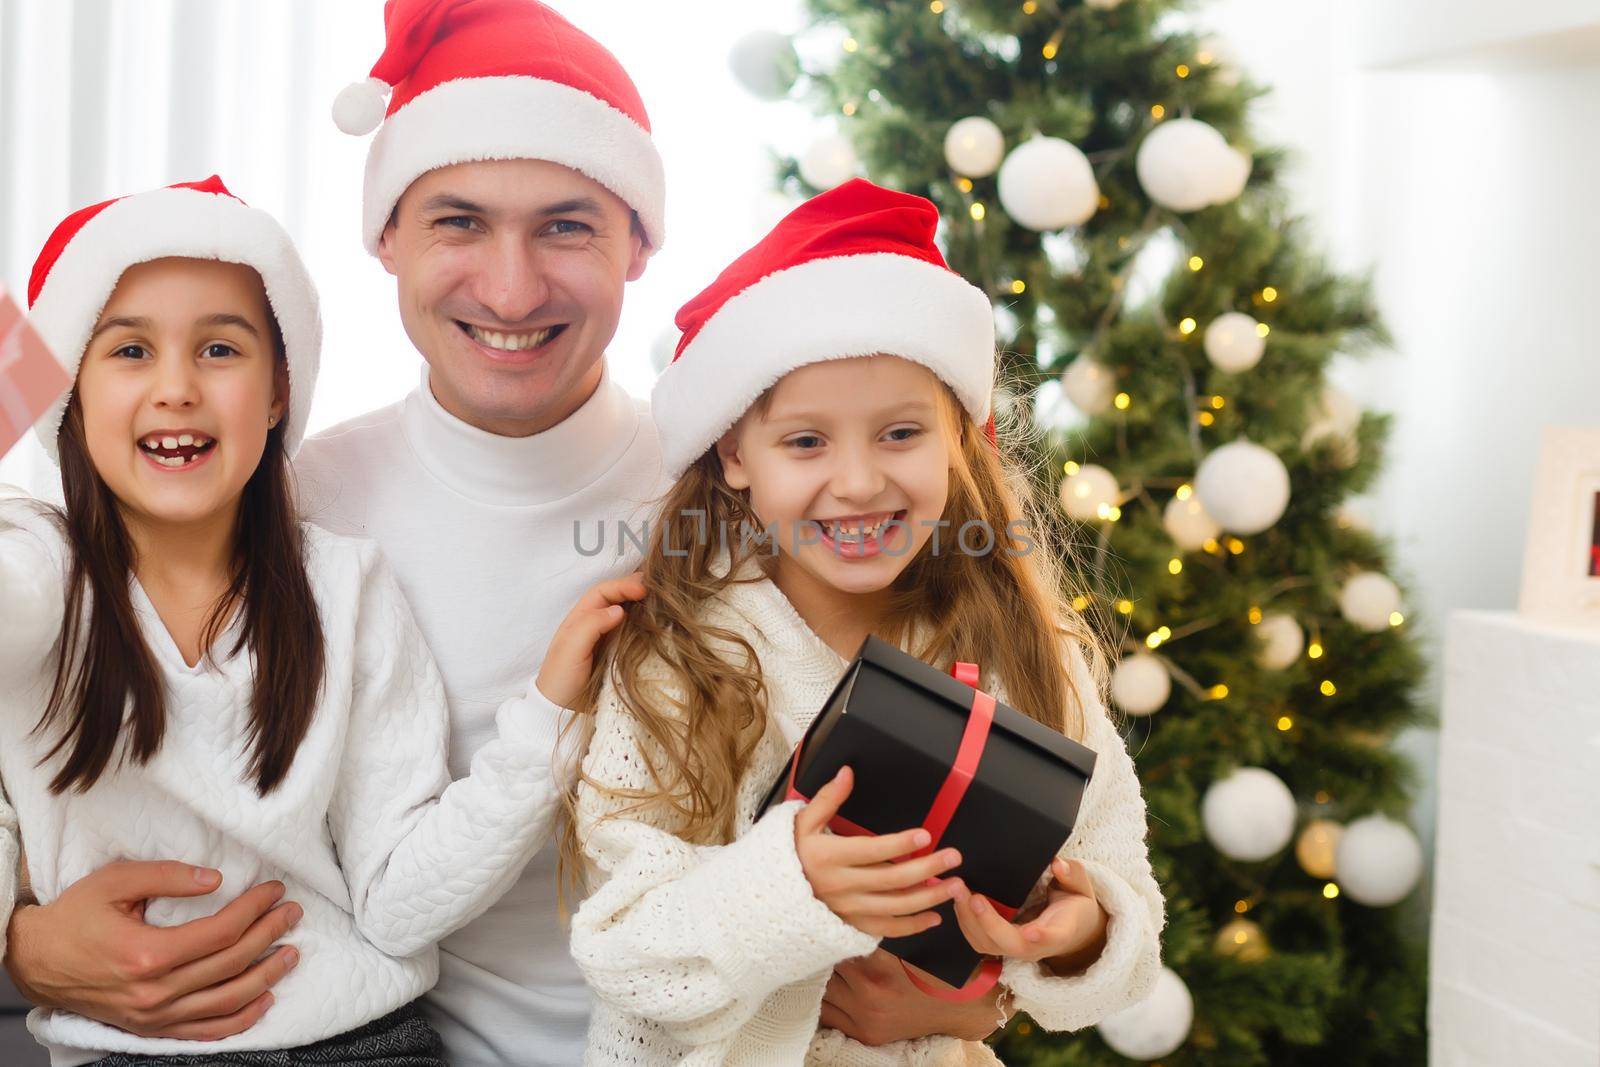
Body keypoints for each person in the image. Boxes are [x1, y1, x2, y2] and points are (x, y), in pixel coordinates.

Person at [559, 179, 1167, 1065]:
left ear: (958, 435)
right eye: (806, 441)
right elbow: (622, 951)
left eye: (900, 434)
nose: (856, 483)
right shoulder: (680, 662)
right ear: (736, 453)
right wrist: (791, 886)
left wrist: (1073, 933)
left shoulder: (1026, 654)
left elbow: (1129, 920)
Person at [0, 176, 602, 1065]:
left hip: (364, 1044)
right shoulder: (39, 566)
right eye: (129, 351)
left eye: (219, 349)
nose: (175, 388)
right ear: (73, 396)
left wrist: (549, 717)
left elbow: (398, 900)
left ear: (280, 390)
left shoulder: (344, 586)